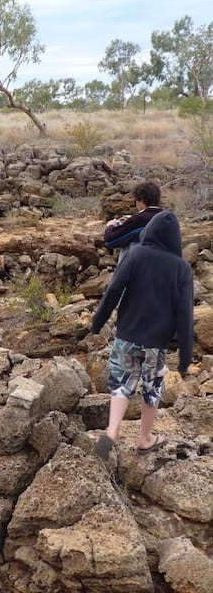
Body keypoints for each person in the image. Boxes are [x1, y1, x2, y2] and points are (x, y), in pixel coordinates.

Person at [91, 210, 194, 460]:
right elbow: (185, 316)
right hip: (156, 344)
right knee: (152, 390)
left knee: (121, 385)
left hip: (126, 335)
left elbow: (114, 290)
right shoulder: (182, 268)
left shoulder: (136, 255)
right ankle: (145, 438)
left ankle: (113, 429)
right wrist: (185, 358)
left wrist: (97, 323)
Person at [104, 180, 162, 262]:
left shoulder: (139, 219)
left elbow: (111, 240)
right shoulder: (166, 218)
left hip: (138, 269)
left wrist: (111, 225)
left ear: (141, 200)